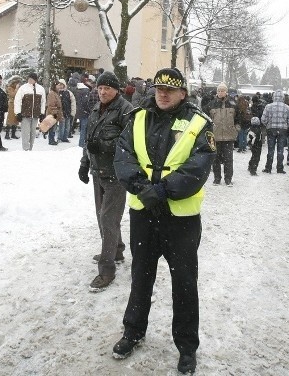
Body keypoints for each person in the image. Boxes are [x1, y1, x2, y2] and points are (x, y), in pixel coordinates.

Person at [111, 67, 216, 375]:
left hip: (180, 219)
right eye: (158, 89)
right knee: (140, 276)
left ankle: (186, 347)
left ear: (183, 93)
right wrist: (144, 190)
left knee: (184, 283)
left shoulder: (199, 123)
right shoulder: (137, 118)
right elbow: (123, 157)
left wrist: (160, 191)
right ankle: (133, 331)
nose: (163, 93)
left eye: (170, 90)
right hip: (143, 214)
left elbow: (198, 169)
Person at [77, 71, 133, 292]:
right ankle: (116, 250)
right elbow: (89, 139)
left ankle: (107, 269)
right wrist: (84, 163)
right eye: (99, 88)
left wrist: (105, 147)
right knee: (102, 215)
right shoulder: (95, 108)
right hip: (97, 171)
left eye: (106, 88)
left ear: (116, 90)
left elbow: (130, 142)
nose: (102, 92)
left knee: (108, 219)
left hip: (116, 174)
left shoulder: (125, 110)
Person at [207, 83, 239, 185]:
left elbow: (238, 118)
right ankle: (217, 178)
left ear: (226, 92)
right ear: (217, 92)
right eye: (219, 91)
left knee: (228, 160)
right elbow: (207, 120)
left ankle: (228, 179)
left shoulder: (233, 104)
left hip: (229, 136)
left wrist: (236, 128)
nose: (221, 92)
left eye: (223, 90)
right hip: (215, 136)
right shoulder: (211, 104)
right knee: (215, 159)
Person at [261, 90, 289, 174]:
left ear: (273, 97)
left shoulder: (268, 106)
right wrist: (285, 125)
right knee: (280, 150)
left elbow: (263, 119)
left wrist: (268, 124)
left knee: (270, 150)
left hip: (271, 129)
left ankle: (268, 167)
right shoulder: (287, 107)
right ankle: (279, 168)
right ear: (282, 97)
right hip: (282, 130)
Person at [14, 72, 45, 151]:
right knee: (26, 132)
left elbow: (43, 102)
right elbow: (17, 100)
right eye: (29, 78)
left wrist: (42, 113)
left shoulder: (41, 89)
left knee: (32, 133)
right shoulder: (23, 88)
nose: (30, 80)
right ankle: (26, 149)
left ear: (35, 80)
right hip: (25, 114)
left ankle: (30, 148)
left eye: (32, 79)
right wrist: (18, 113)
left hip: (35, 114)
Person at [46, 81, 63, 145]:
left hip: (55, 113)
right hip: (53, 113)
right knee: (52, 127)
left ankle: (52, 139)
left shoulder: (56, 93)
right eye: (58, 85)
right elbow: (51, 105)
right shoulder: (52, 94)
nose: (59, 87)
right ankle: (51, 140)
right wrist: (55, 113)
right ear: (54, 86)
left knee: (53, 127)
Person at [4, 75, 21, 140]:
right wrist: (16, 89)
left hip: (17, 104)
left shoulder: (18, 88)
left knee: (16, 119)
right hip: (11, 105)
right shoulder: (10, 87)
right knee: (10, 119)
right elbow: (12, 95)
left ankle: (13, 134)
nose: (18, 84)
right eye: (17, 82)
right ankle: (7, 134)